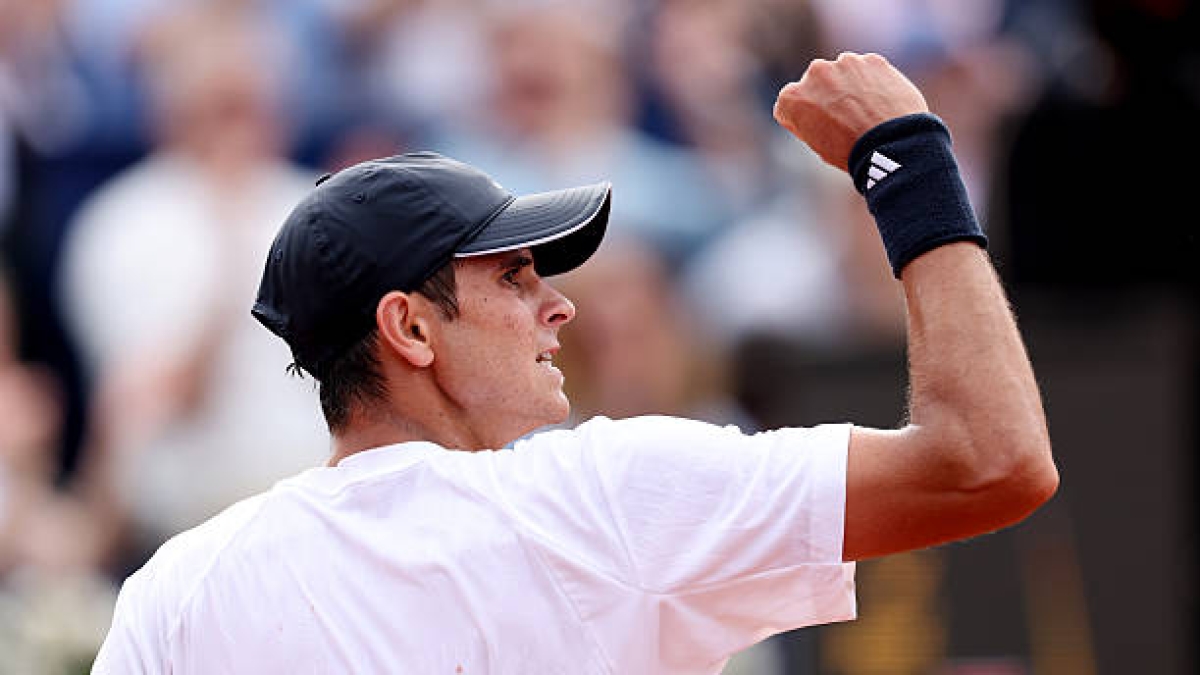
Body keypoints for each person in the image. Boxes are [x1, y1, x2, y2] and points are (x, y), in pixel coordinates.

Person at [91, 53, 1058, 674]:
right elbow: (990, 458)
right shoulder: (601, 498)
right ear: (411, 330)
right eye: (512, 279)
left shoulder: (180, 590)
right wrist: (908, 161)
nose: (559, 305)